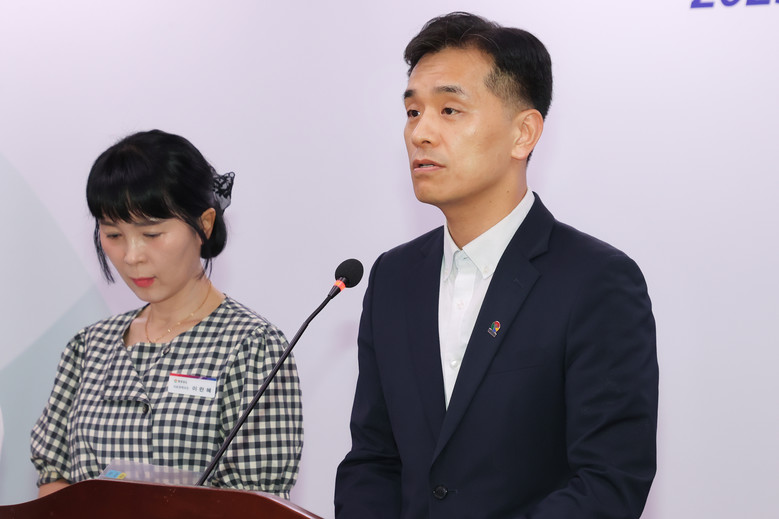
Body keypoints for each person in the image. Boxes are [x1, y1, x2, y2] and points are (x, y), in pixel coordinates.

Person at [335, 12, 658, 519]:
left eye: (449, 109)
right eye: (413, 111)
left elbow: (609, 480)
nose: (420, 133)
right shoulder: (393, 277)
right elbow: (373, 459)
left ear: (523, 133)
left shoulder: (596, 281)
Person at [31, 129, 303, 499]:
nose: (132, 256)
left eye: (152, 234)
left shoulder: (252, 347)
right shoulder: (88, 346)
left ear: (204, 224)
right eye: (113, 235)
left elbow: (257, 503)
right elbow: (54, 476)